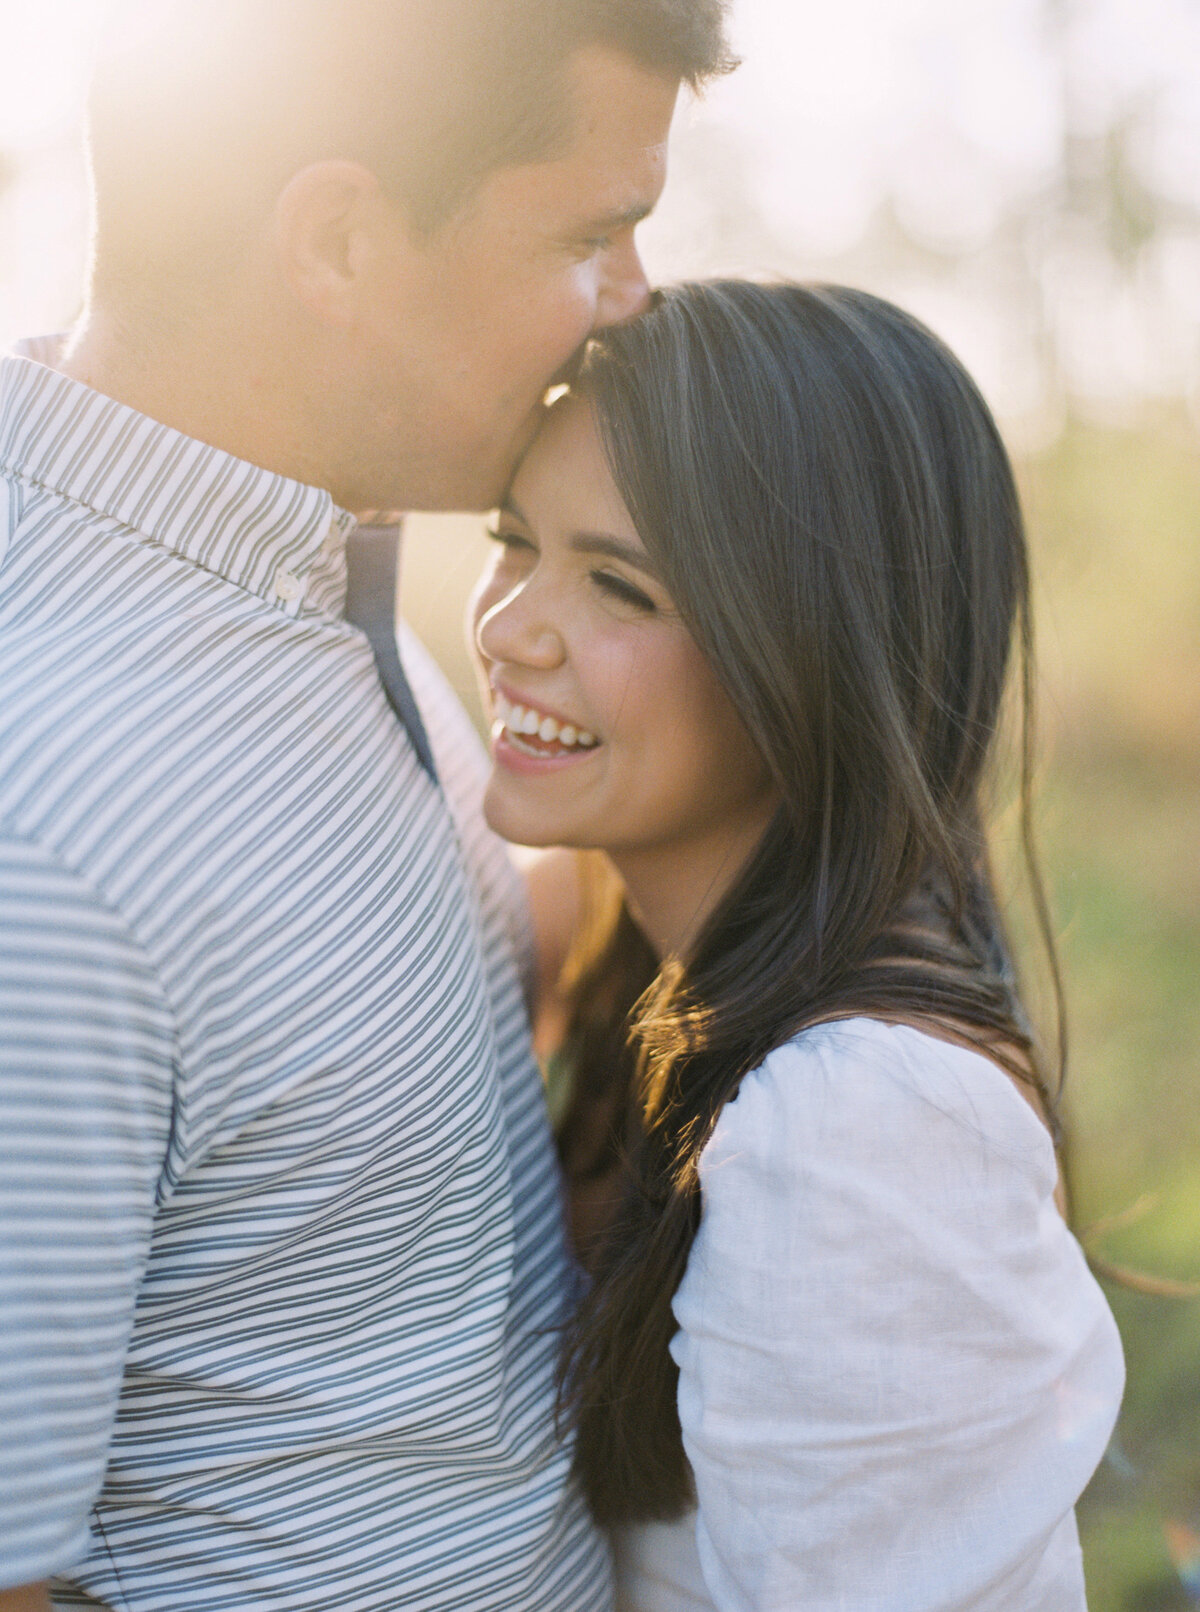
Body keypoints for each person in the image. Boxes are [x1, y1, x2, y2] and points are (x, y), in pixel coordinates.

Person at [0, 3, 736, 1607]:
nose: (631, 298)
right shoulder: (46, 820)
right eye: (592, 232)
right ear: (337, 237)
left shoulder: (318, 588)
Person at [470, 280, 1126, 1611]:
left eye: (617, 585)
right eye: (512, 540)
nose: (505, 627)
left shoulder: (855, 1118)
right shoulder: (639, 955)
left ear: (806, 648)